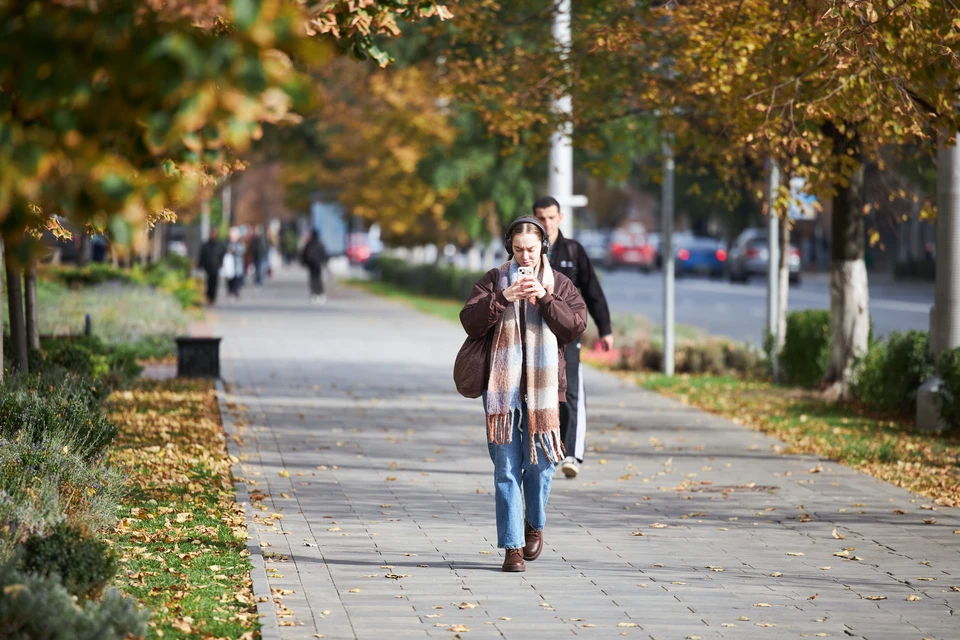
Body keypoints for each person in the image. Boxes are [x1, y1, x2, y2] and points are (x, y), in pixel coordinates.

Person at [460, 216, 586, 572]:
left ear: (543, 246)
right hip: (502, 393)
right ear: (509, 248)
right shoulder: (493, 280)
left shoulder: (559, 283)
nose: (525, 256)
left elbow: (574, 326)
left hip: (545, 393)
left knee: (542, 466)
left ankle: (534, 522)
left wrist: (545, 298)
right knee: (506, 468)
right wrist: (503, 298)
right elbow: (469, 321)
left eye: (531, 249)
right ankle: (513, 546)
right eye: (518, 249)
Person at [533, 196, 614, 479]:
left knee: (570, 392)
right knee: (539, 390)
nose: (546, 223)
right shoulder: (527, 249)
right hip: (535, 333)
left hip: (567, 333)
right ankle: (545, 449)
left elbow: (593, 291)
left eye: (551, 217)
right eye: (541, 217)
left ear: (560, 218)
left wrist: (605, 329)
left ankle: (571, 454)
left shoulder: (573, 250)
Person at [198, 229, 226, 305]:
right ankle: (208, 296)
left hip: (216, 266)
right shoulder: (206, 245)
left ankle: (212, 297)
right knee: (208, 282)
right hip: (208, 266)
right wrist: (200, 265)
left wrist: (221, 263)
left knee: (214, 282)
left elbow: (222, 254)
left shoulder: (219, 245)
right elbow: (202, 255)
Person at [301, 230, 329, 304]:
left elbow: (304, 254)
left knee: (313, 279)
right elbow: (324, 254)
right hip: (318, 264)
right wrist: (324, 262)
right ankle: (320, 293)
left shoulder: (309, 244)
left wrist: (304, 263)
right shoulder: (320, 244)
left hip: (311, 265)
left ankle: (314, 294)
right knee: (318, 279)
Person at [225, 227, 245, 299]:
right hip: (229, 266)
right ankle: (230, 291)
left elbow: (241, 251)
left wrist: (234, 251)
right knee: (229, 279)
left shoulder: (239, 243)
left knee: (237, 279)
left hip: (237, 265)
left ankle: (236, 291)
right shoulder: (227, 243)